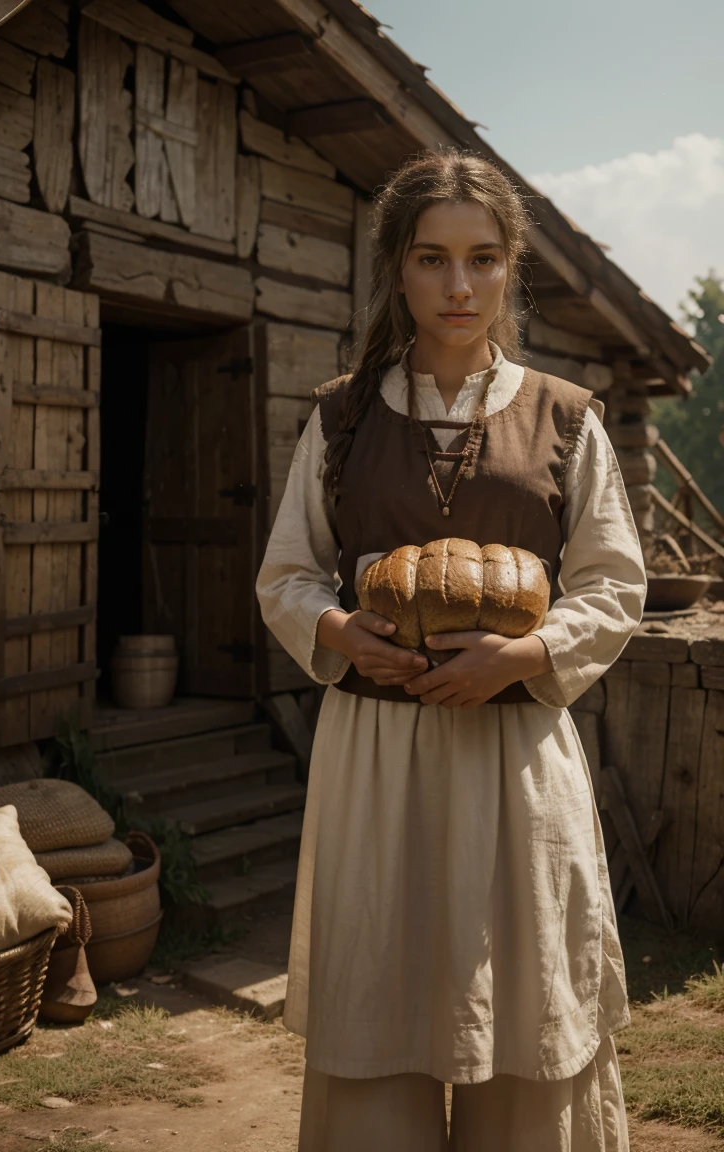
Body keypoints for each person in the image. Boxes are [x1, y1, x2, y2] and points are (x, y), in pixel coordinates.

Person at [256, 149, 646, 1151]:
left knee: (524, 1017)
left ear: (512, 267)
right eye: (432, 259)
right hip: (376, 766)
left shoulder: (565, 417)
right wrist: (338, 629)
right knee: (380, 1010)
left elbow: (612, 584)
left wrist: (525, 655)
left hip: (515, 768)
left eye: (481, 259)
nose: (457, 286)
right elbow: (288, 574)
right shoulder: (339, 416)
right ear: (397, 268)